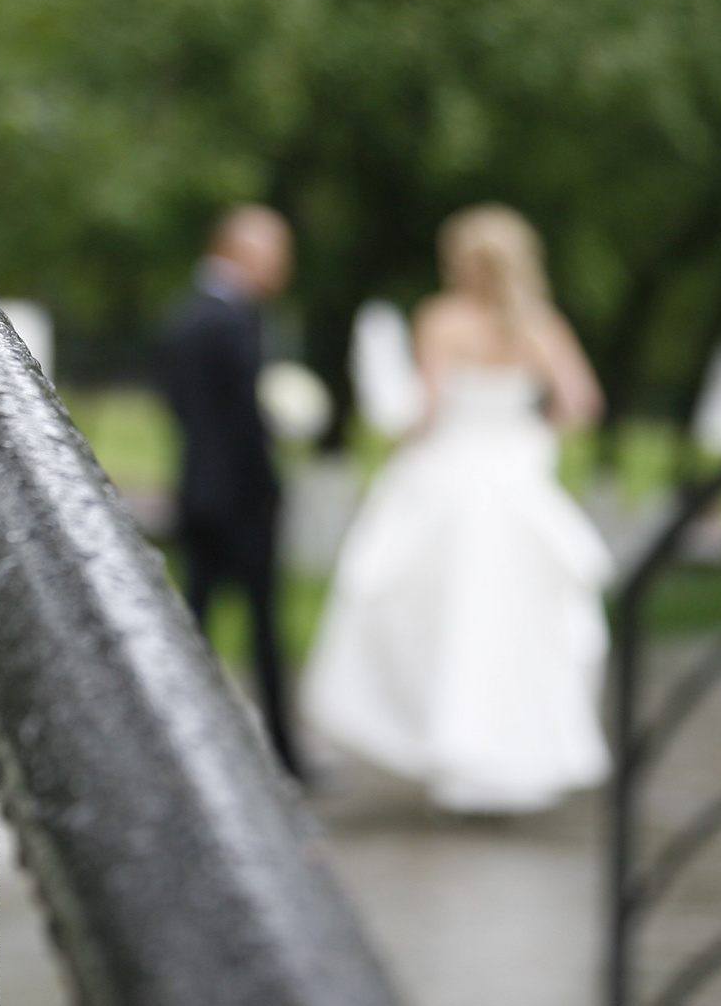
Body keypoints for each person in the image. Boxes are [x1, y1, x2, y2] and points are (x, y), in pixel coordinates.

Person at [300, 204, 612, 814]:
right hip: (517, 485)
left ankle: (448, 745)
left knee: (442, 618)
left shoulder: (442, 319)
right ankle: (516, 759)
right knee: (517, 626)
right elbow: (582, 402)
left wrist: (396, 439)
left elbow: (431, 410)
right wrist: (532, 436)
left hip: (453, 477)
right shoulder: (542, 325)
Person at [159, 205, 302, 777]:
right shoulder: (233, 321)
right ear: (246, 251)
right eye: (278, 252)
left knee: (193, 622)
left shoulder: (183, 317)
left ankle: (172, 739)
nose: (285, 267)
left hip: (197, 491)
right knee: (265, 630)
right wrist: (269, 486)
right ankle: (285, 756)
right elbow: (244, 419)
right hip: (243, 500)